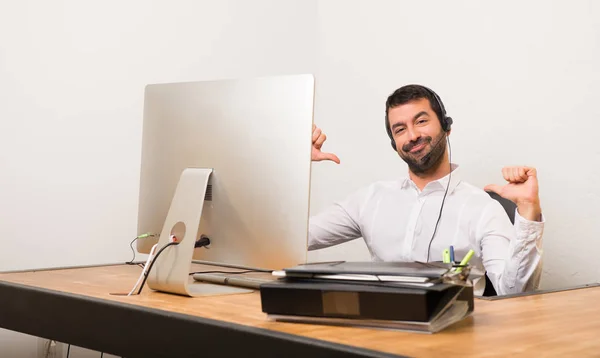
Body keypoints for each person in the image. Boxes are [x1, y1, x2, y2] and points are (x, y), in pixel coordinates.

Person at [308, 84, 544, 296]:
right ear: (394, 144)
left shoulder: (483, 208)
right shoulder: (371, 199)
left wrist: (528, 213)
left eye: (421, 121)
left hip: (456, 336)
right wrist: (294, 163)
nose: (412, 136)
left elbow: (513, 293)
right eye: (400, 129)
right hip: (383, 333)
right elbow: (295, 237)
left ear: (446, 126)